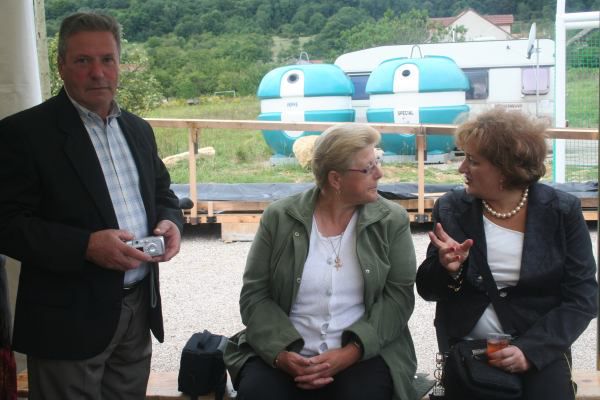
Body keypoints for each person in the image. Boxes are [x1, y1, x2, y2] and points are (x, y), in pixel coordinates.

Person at [0, 12, 183, 399]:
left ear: (119, 65)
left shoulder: (137, 129)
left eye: (107, 59)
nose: (98, 72)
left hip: (136, 308)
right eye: (83, 61)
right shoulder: (24, 134)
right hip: (69, 316)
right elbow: (8, 224)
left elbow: (162, 194)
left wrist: (170, 223)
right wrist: (85, 246)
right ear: (62, 65)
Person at [224, 124, 418, 400]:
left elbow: (398, 299)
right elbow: (255, 296)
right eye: (367, 168)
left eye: (378, 162)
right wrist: (281, 355)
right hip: (284, 349)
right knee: (259, 393)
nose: (379, 173)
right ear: (335, 179)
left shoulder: (391, 220)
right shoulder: (279, 217)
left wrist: (350, 353)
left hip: (363, 352)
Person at [416, 108, 598, 399]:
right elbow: (428, 290)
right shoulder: (451, 208)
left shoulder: (562, 211)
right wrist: (447, 269)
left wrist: (531, 350)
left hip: (539, 346)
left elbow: (583, 298)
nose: (462, 168)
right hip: (468, 347)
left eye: (473, 161)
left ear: (505, 169)